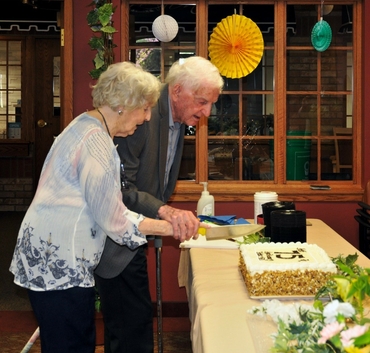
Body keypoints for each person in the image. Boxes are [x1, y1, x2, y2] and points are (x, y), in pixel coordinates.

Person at [9, 62, 200, 353]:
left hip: (47, 256)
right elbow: (115, 221)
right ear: (124, 105)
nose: (147, 118)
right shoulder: (96, 143)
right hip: (60, 262)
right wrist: (172, 227)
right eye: (145, 109)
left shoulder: (84, 124)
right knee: (74, 345)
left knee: (64, 342)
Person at [94, 56, 224, 353]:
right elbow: (120, 188)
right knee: (131, 328)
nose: (207, 112)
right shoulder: (143, 114)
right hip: (115, 240)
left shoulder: (177, 118)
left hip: (136, 234)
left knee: (136, 323)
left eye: (210, 104)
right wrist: (164, 210)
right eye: (202, 102)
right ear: (177, 90)